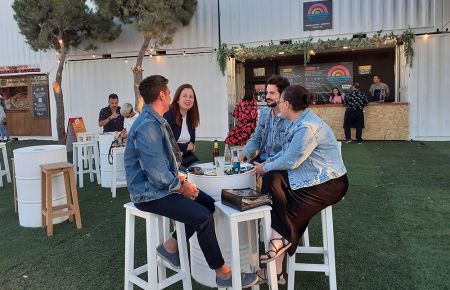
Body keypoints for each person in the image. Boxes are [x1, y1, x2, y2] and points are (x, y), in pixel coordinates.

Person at [124, 75, 258, 288]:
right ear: (162, 94)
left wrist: (182, 180)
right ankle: (223, 274)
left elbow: (166, 163)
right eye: (169, 92)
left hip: (162, 186)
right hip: (148, 194)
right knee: (203, 217)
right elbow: (157, 174)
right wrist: (181, 187)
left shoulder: (156, 120)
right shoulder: (148, 125)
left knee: (207, 204)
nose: (171, 94)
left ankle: (171, 245)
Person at [252, 85, 349, 284]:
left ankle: (278, 253)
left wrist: (265, 168)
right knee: (274, 183)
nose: (277, 105)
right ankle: (278, 262)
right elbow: (286, 153)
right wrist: (267, 164)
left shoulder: (306, 126)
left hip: (330, 183)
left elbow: (290, 161)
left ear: (287, 104)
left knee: (280, 199)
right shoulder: (299, 121)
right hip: (314, 177)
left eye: (280, 102)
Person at [240, 75, 291, 163]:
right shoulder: (265, 113)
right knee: (243, 173)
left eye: (272, 93)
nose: (267, 96)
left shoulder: (290, 117)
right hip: (263, 157)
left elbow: (289, 151)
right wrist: (243, 155)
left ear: (283, 95)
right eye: (267, 92)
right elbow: (257, 138)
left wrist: (266, 166)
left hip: (279, 161)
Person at [163, 84, 200, 168]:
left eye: (191, 96)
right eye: (184, 96)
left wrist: (188, 147)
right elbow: (166, 143)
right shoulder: (168, 115)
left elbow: (192, 145)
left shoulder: (191, 118)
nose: (188, 99)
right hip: (171, 162)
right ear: (177, 99)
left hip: (187, 160)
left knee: (201, 175)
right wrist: (187, 146)